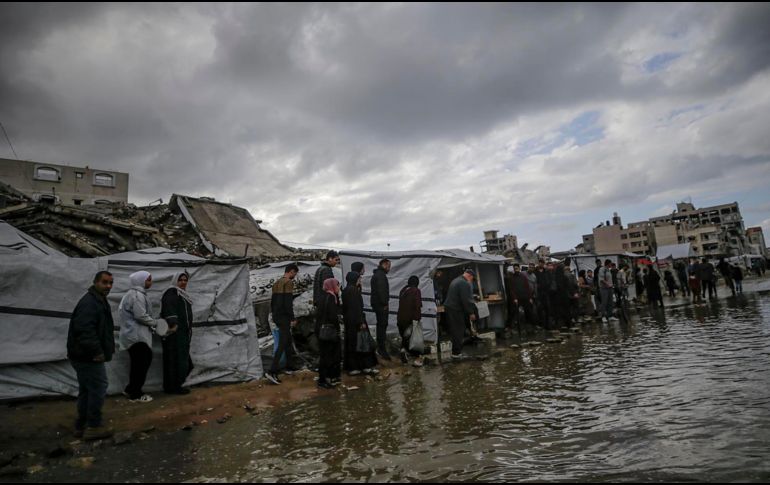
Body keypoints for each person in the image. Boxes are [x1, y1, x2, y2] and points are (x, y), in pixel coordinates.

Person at [67, 271, 116, 441]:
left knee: (87, 390)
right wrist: (97, 351)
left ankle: (81, 426)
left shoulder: (98, 300)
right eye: (104, 282)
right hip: (87, 355)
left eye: (110, 283)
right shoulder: (90, 303)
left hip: (82, 354)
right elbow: (84, 330)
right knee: (98, 387)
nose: (108, 286)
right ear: (95, 282)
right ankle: (93, 426)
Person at [119, 271, 157, 403]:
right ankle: (135, 394)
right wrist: (155, 323)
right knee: (141, 364)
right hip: (136, 337)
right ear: (141, 281)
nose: (151, 282)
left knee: (137, 365)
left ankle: (130, 389)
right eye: (148, 280)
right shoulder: (137, 296)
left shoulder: (132, 294)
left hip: (133, 336)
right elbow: (140, 315)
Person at [265, 264, 300, 385]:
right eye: (295, 274)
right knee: (283, 343)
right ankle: (272, 371)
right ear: (291, 271)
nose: (295, 276)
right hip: (284, 317)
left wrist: (275, 316)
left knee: (288, 340)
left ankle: (290, 366)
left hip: (276, 316)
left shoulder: (276, 283)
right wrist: (292, 318)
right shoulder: (288, 283)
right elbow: (288, 303)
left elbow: (273, 302)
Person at [160, 271, 194, 395]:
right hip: (175, 334)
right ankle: (175, 387)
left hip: (182, 333)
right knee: (176, 360)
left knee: (179, 359)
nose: (183, 282)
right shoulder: (171, 292)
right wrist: (173, 323)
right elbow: (169, 308)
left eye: (185, 280)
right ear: (175, 281)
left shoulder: (182, 294)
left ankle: (174, 386)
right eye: (181, 280)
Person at [342, 271, 378, 376]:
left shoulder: (346, 290)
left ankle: (354, 367)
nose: (360, 280)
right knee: (363, 343)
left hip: (349, 321)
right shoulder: (353, 291)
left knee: (352, 344)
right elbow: (356, 308)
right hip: (357, 322)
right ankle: (365, 366)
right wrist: (361, 322)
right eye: (359, 279)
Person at [444, 269, 478, 359]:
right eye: (472, 279)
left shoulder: (456, 280)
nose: (471, 281)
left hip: (450, 308)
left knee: (455, 330)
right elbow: (466, 300)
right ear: (470, 276)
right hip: (455, 309)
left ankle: (455, 352)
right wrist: (471, 313)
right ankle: (456, 353)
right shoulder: (464, 283)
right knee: (458, 331)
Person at [316, 278, 342, 389]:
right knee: (329, 355)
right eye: (337, 285)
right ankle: (323, 380)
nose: (339, 288)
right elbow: (332, 316)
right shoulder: (331, 298)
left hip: (321, 329)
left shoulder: (322, 296)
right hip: (329, 330)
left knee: (324, 355)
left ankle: (326, 378)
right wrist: (338, 329)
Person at [397, 276, 424, 367]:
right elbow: (417, 306)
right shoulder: (416, 291)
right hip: (410, 319)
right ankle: (417, 360)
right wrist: (417, 319)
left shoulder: (403, 290)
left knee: (405, 338)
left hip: (400, 319)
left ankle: (403, 352)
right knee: (414, 339)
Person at [370, 259, 392, 360]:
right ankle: (382, 349)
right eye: (388, 266)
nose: (389, 268)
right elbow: (381, 290)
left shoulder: (378, 274)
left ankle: (381, 348)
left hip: (377, 304)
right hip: (381, 305)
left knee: (381, 325)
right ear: (383, 265)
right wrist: (384, 303)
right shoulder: (380, 276)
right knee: (382, 326)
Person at [507, 264, 534, 328]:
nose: (516, 269)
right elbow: (511, 289)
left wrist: (530, 297)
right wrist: (514, 298)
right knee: (514, 312)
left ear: (519, 269)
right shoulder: (511, 278)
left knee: (528, 311)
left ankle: (529, 325)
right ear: (514, 269)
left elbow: (527, 287)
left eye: (517, 268)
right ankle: (512, 326)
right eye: (515, 268)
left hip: (525, 297)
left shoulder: (523, 277)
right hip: (517, 298)